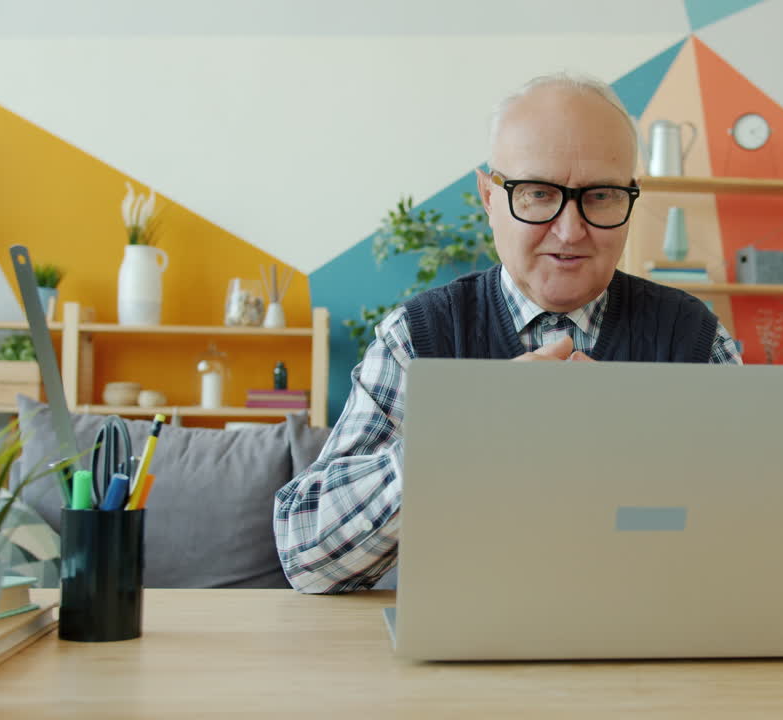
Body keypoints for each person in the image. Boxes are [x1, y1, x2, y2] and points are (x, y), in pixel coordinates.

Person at [274, 72, 743, 593]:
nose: (570, 231)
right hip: (461, 654)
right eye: (539, 193)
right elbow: (306, 554)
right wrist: (463, 434)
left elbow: (760, 534)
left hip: (651, 649)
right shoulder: (417, 338)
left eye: (602, 196)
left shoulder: (694, 339)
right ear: (489, 197)